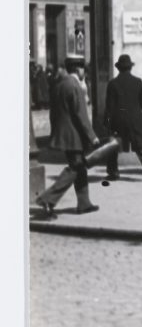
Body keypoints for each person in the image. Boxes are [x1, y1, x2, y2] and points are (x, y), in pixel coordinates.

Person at [34, 55, 102, 219]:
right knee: (75, 168)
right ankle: (47, 199)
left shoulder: (59, 84)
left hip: (64, 134)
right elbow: (81, 115)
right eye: (83, 69)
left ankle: (84, 203)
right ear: (78, 69)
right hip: (74, 136)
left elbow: (54, 112)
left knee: (79, 167)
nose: (83, 72)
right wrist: (92, 137)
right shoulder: (74, 86)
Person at [103, 54, 142, 182]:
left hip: (118, 119)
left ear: (119, 68)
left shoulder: (112, 84)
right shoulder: (138, 82)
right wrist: (135, 111)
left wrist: (108, 122)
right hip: (135, 117)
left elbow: (109, 106)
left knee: (113, 145)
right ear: (130, 68)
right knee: (140, 145)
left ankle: (113, 172)